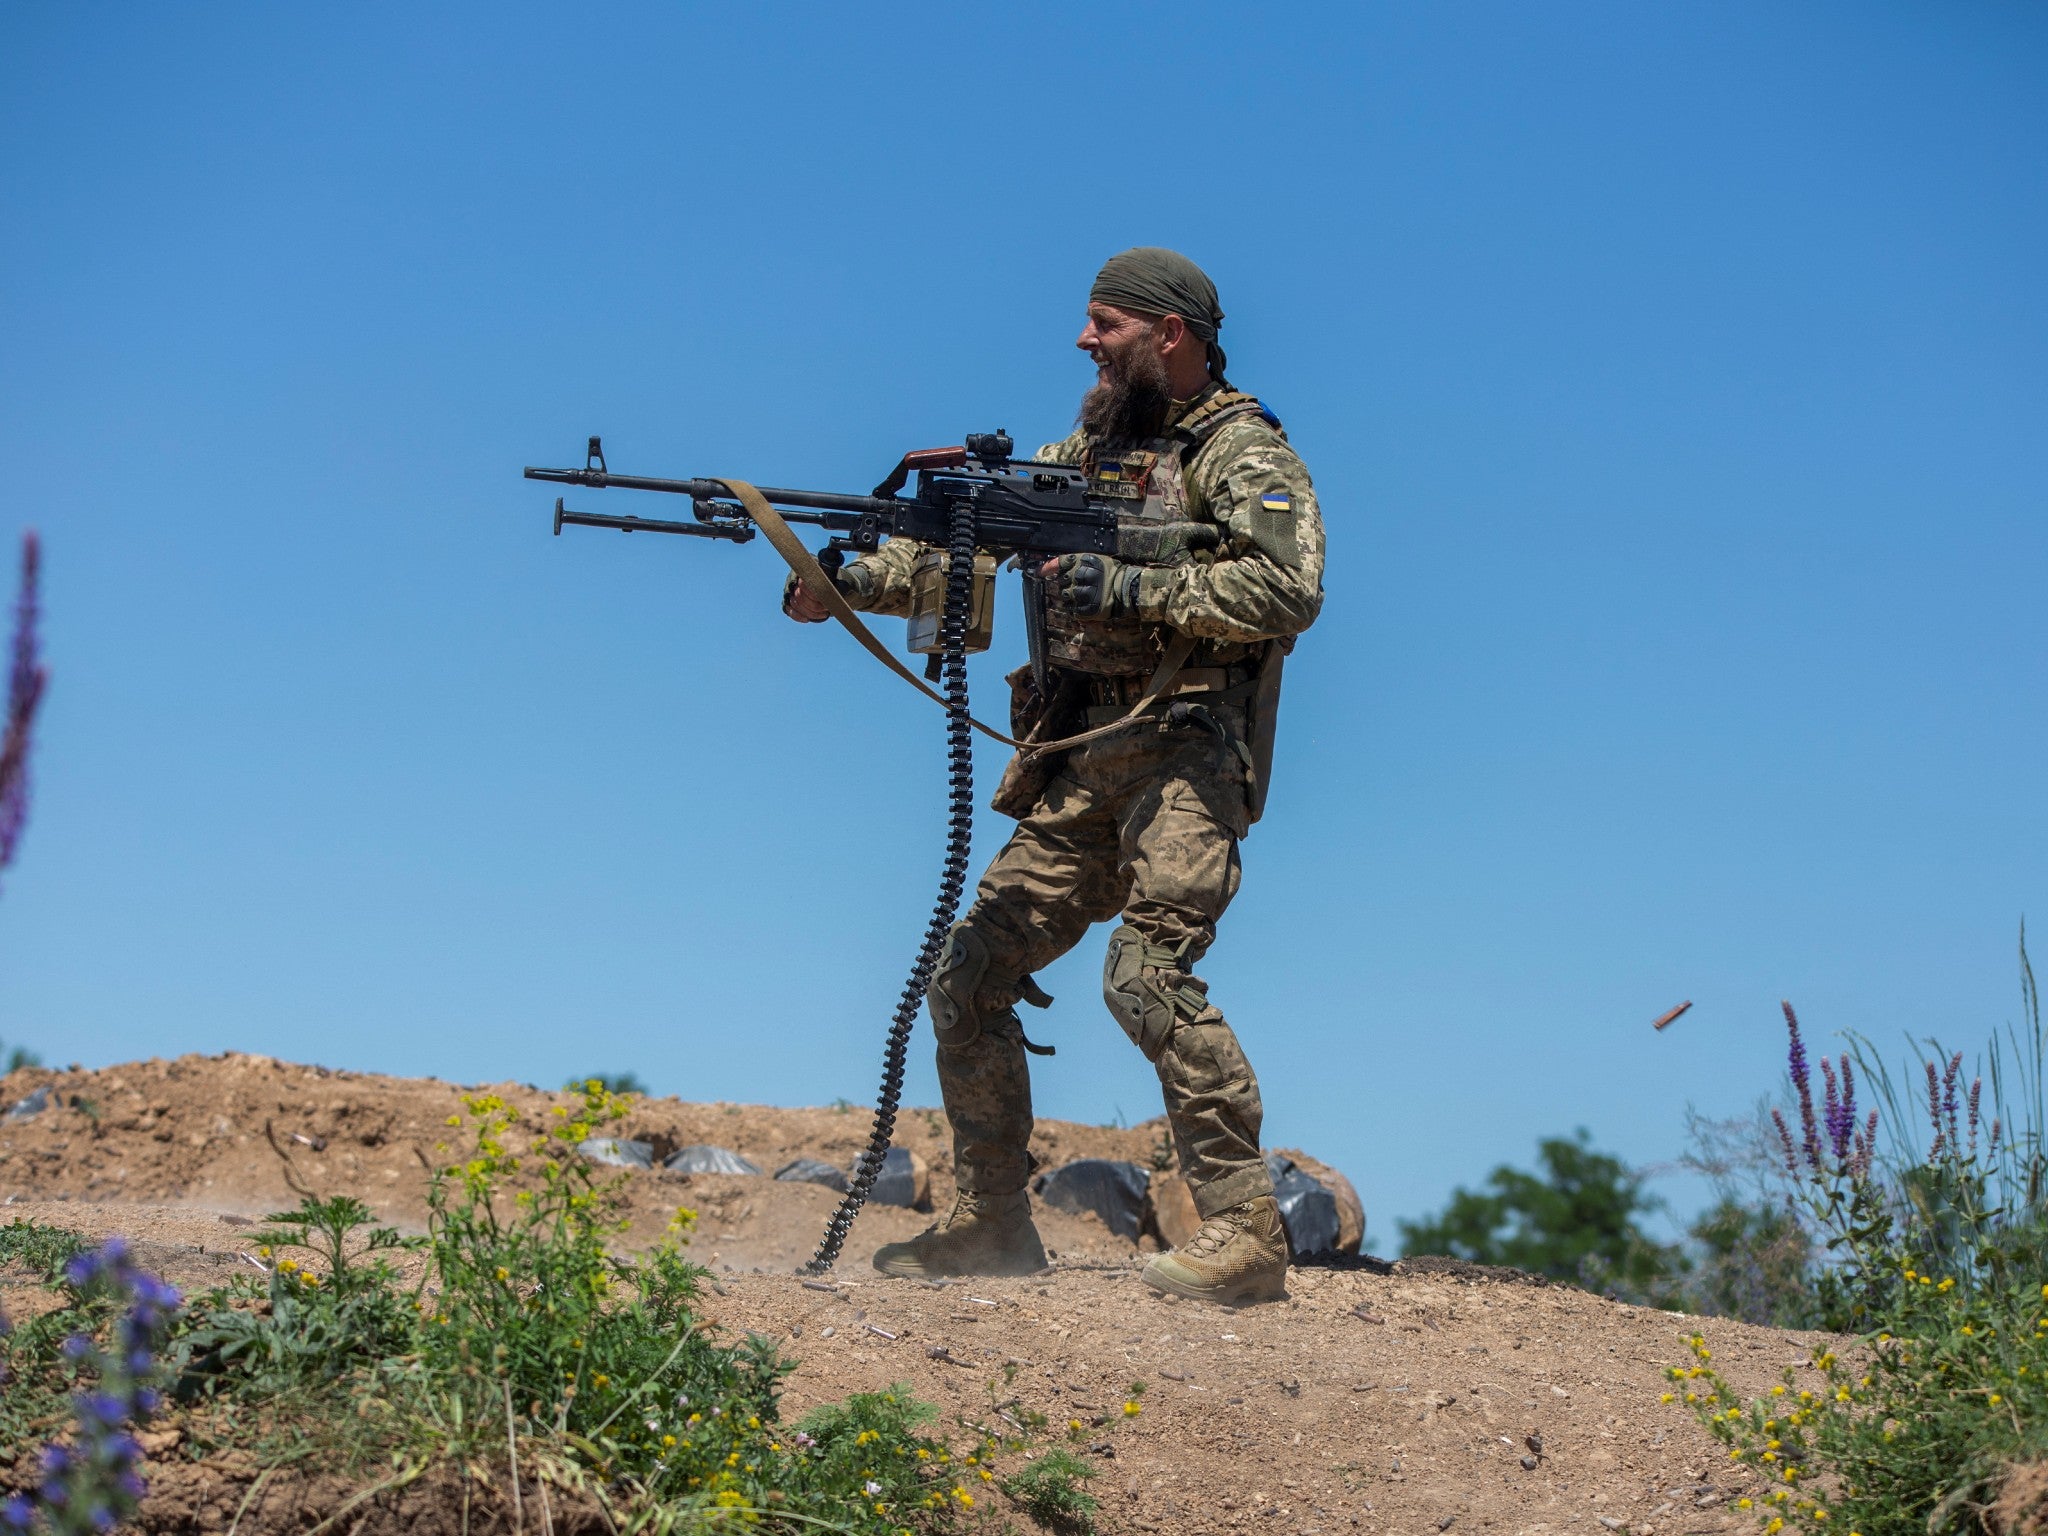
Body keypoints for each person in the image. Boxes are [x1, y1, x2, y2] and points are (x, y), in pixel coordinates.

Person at [785, 248, 1325, 1305]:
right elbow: (971, 558)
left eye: (1104, 322)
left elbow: (1284, 588)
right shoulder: (1075, 454)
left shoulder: (1241, 452)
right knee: (969, 973)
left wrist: (1125, 582)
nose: (1084, 340)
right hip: (1083, 760)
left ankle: (1246, 1231)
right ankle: (991, 1224)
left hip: (1186, 751)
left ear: (1167, 333)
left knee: (1145, 976)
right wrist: (850, 584)